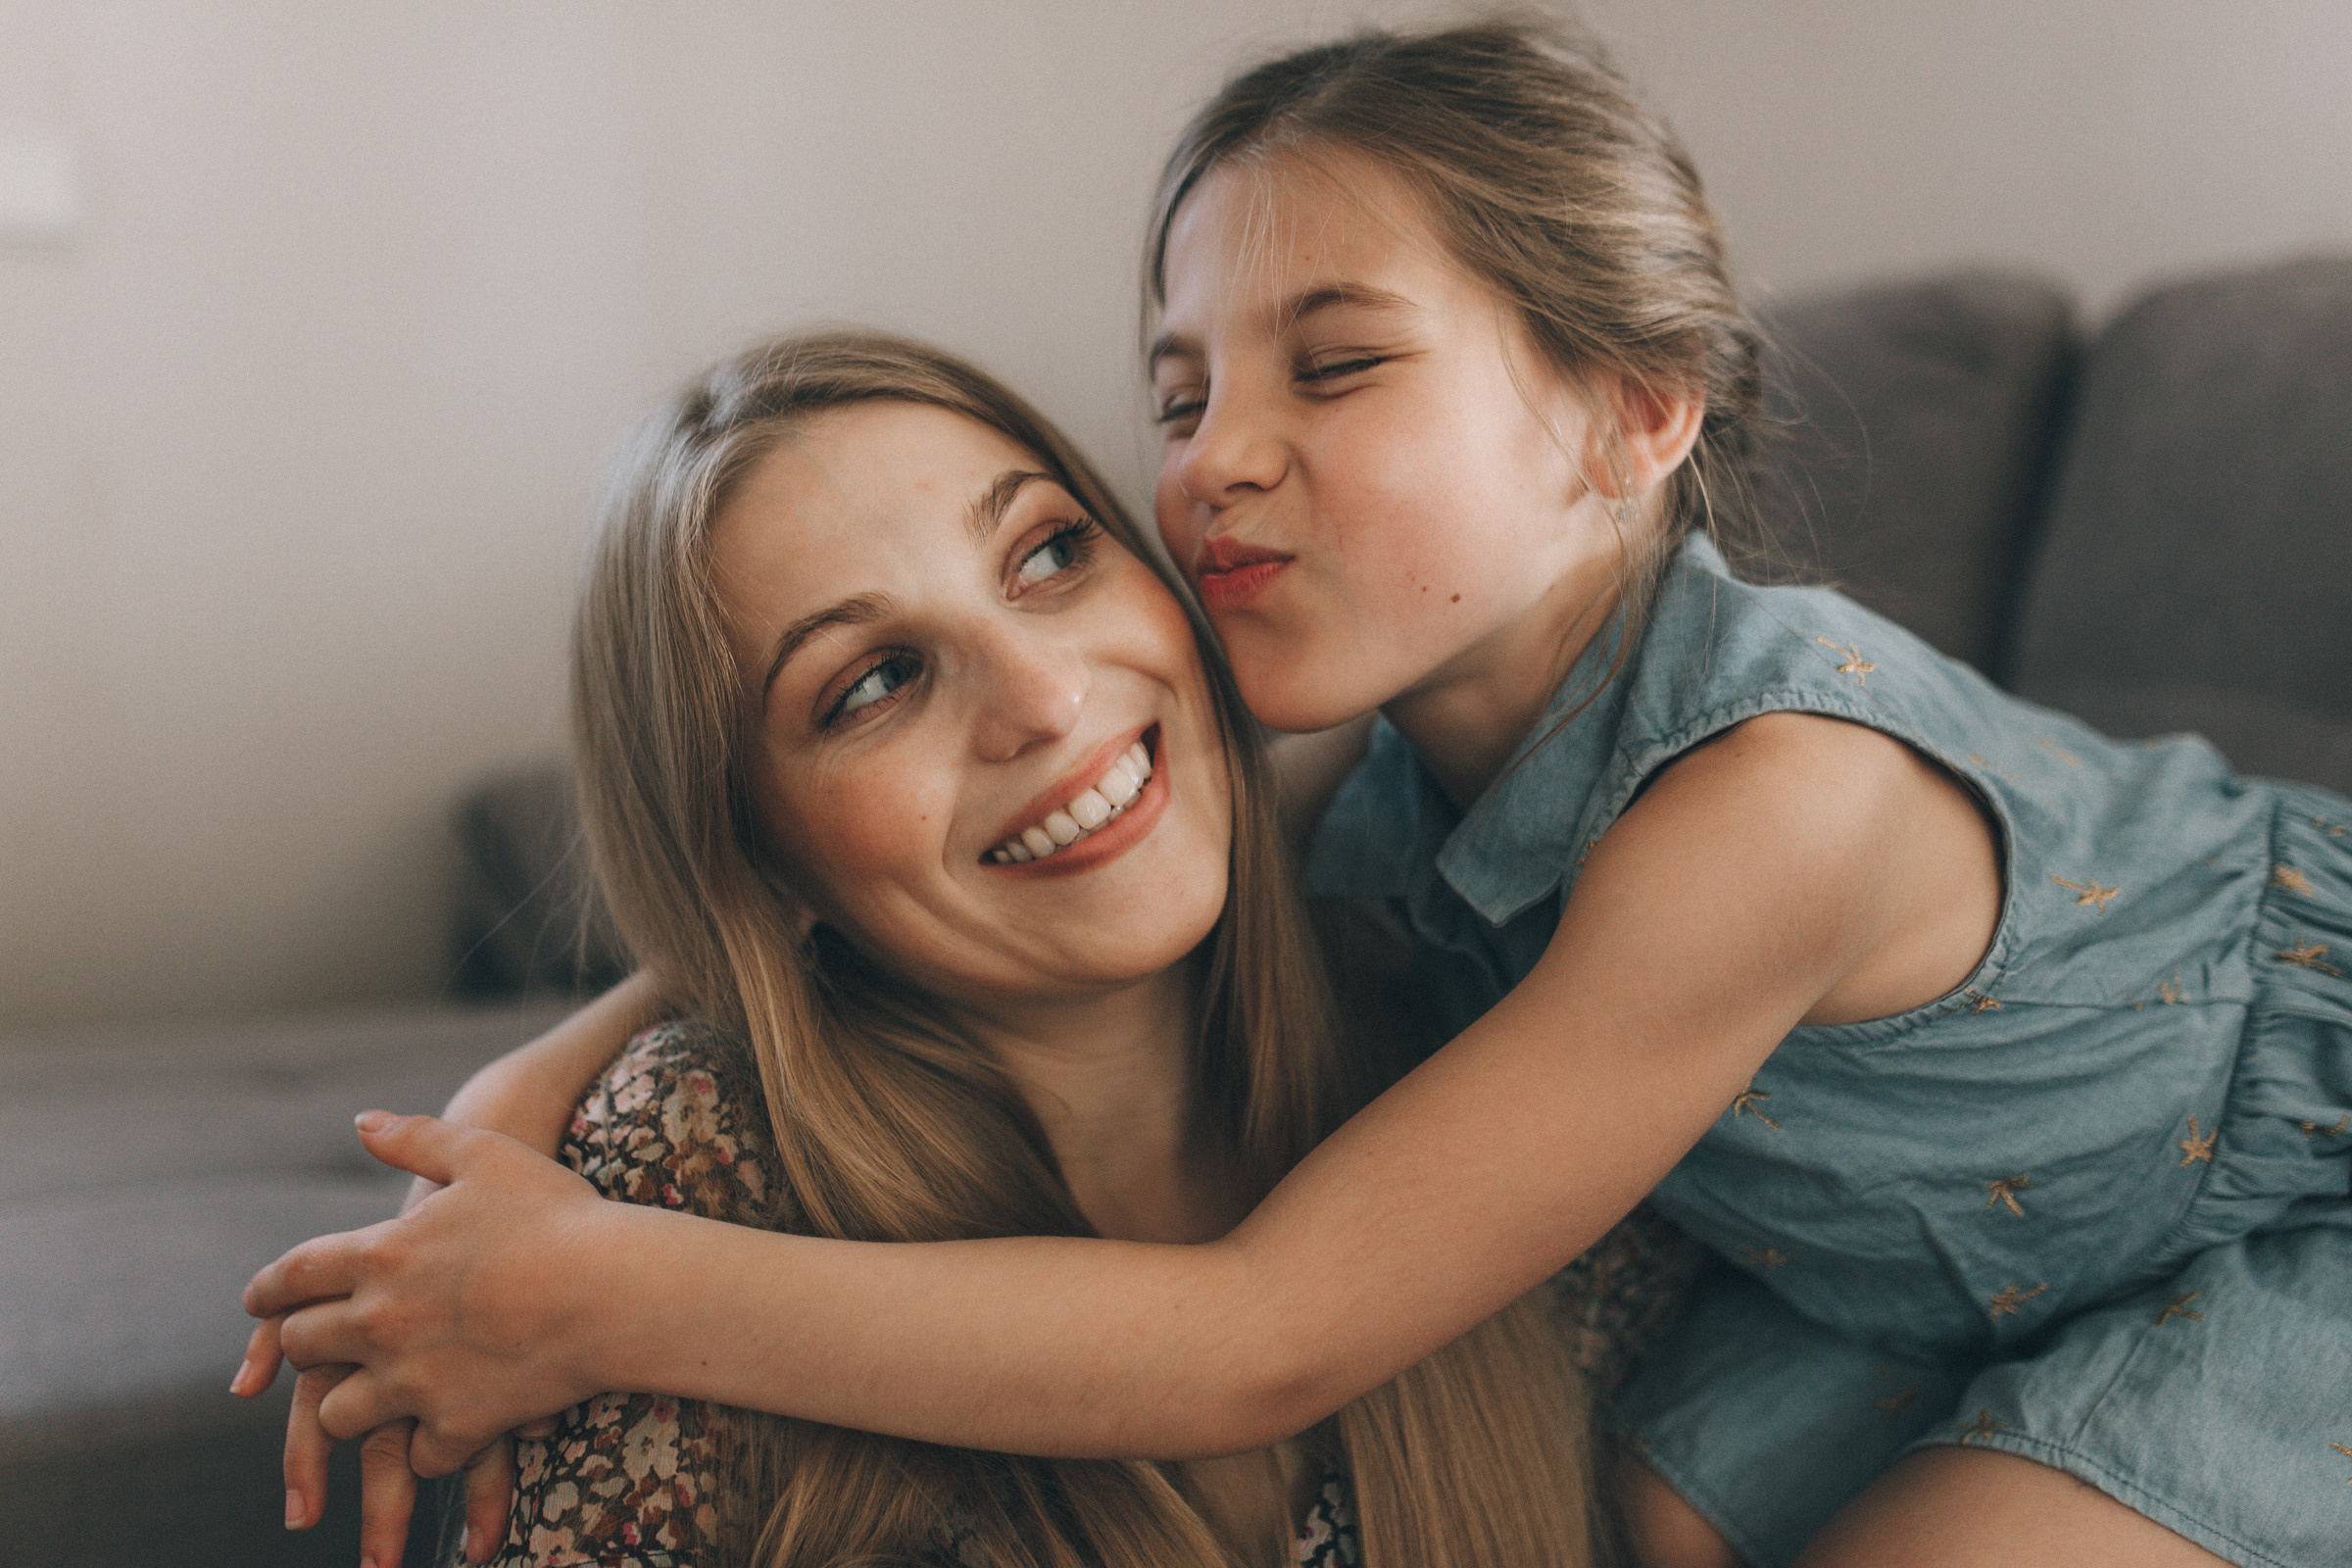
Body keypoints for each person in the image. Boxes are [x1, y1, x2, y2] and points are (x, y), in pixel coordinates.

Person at [245, 21, 2352, 1568]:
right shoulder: (1388, 756)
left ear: (1626, 415)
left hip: (2297, 1201)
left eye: (1330, 368)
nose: (1214, 455)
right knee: (1644, 1510)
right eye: (1179, 388)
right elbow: (852, 846)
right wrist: (553, 1063)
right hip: (1972, 1252)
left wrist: (604, 1282)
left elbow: (1267, 1334)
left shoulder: (1772, 806)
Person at [254, 325, 1690, 1567]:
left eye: (1051, 554)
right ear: (755, 854)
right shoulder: (674, 1167)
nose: (1047, 698)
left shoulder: (1480, 998)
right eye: (873, 683)